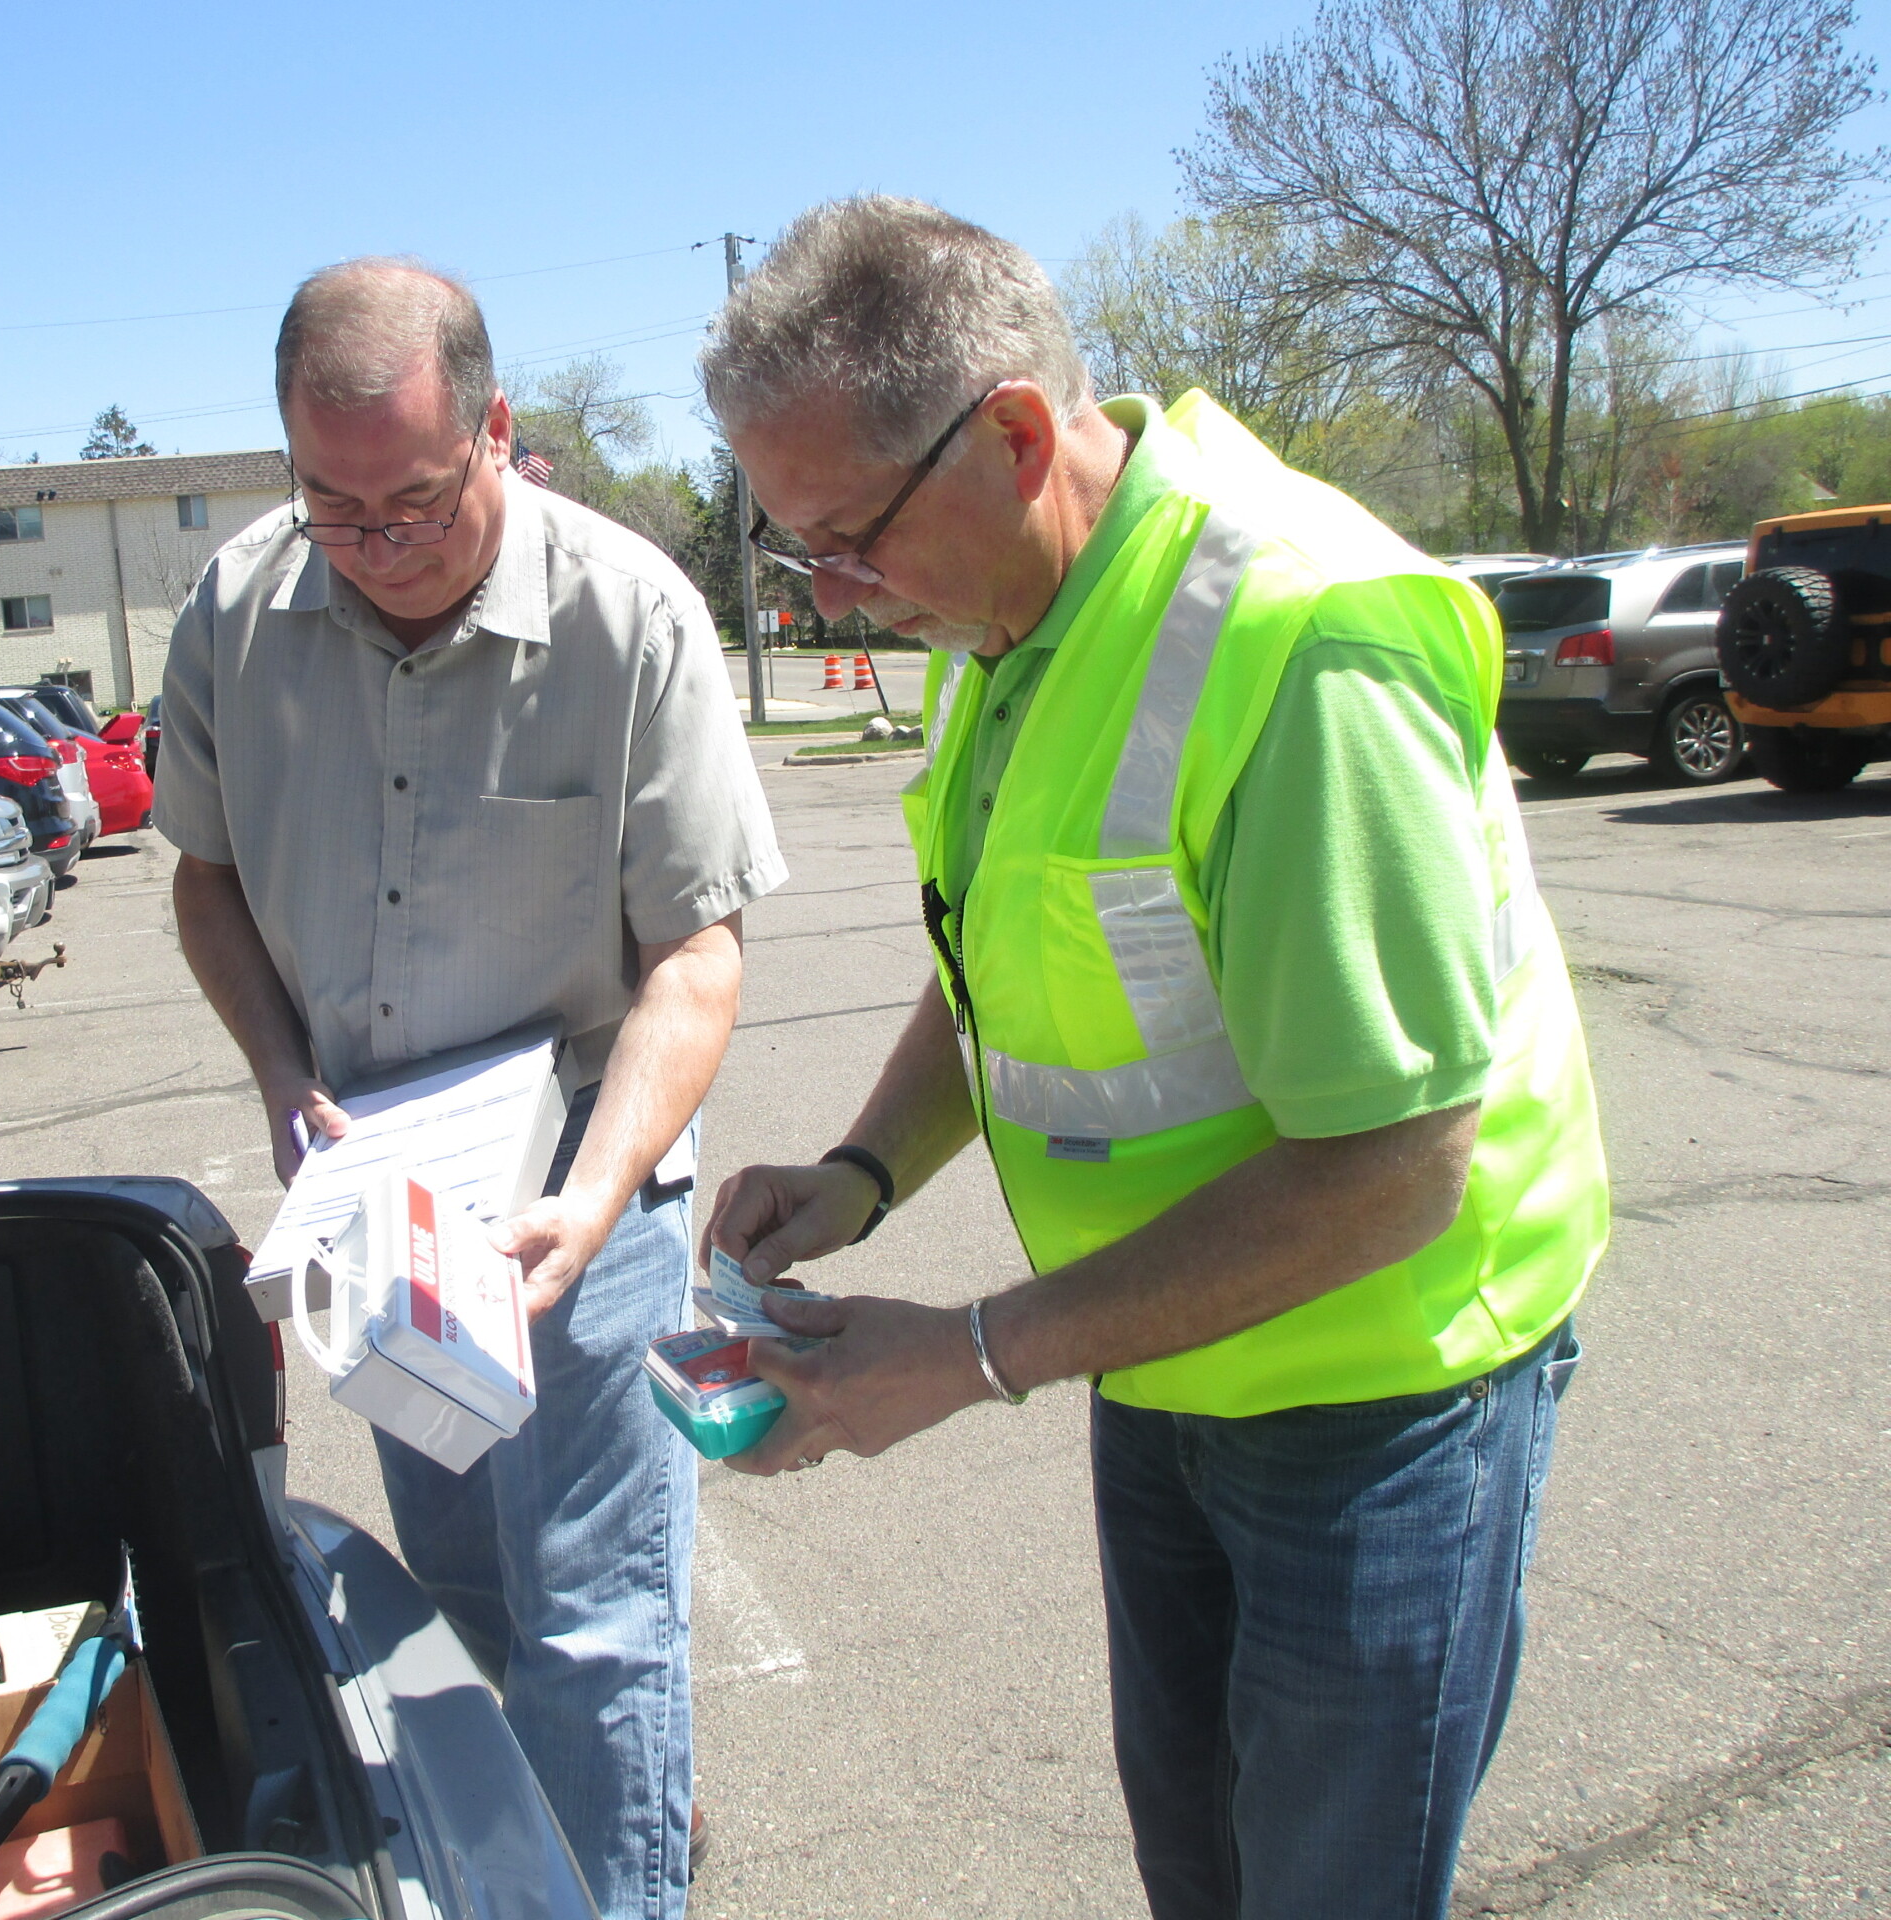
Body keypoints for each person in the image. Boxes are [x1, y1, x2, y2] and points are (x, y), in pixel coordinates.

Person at [697, 196, 1607, 1920]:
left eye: (847, 539)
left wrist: (965, 1353)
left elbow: (1395, 1170)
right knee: (1203, 1876)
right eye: (793, 549)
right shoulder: (1015, 617)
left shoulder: (1300, 640)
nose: (835, 593)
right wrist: (863, 1172)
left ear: (1018, 437)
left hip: (1378, 1398)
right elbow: (1009, 980)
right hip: (1168, 1360)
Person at [154, 257, 784, 1919]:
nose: (375, 545)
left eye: (416, 501)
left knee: (594, 1616)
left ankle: (617, 1870)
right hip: (377, 1188)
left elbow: (697, 959)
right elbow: (203, 878)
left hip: (588, 1187)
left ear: (497, 431)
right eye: (332, 505)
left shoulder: (632, 613)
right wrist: (285, 1079)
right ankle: (592, 1816)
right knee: (454, 1580)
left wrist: (592, 1192)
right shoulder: (236, 605)